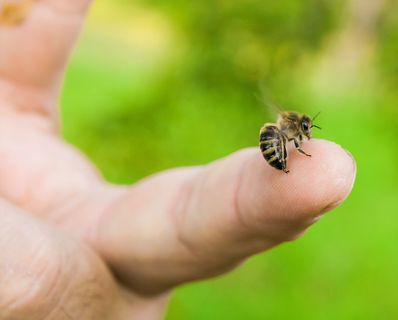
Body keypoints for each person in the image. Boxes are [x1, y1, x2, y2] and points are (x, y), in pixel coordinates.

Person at [0, 1, 356, 318]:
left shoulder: (291, 131)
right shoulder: (289, 129)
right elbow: (287, 134)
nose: (306, 132)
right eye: (305, 129)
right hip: (274, 145)